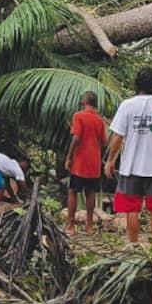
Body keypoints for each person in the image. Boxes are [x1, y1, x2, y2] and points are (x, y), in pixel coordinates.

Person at [104, 68, 152, 244]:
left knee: (132, 209)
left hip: (131, 167)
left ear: (137, 84)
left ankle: (133, 245)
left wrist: (110, 161)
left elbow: (117, 136)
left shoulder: (127, 105)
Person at [64, 91, 107, 235]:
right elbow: (103, 142)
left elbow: (76, 138)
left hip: (80, 162)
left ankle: (70, 225)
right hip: (94, 163)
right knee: (90, 192)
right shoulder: (100, 120)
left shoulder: (78, 116)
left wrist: (69, 157)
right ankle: (89, 226)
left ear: (85, 101)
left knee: (72, 191)